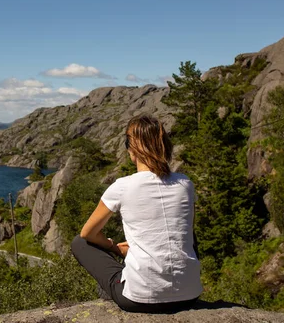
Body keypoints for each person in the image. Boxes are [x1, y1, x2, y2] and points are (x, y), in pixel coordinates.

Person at [71, 115, 202, 313]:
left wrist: (115, 248)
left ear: (133, 149)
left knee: (79, 243)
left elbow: (87, 233)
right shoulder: (185, 184)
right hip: (189, 296)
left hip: (140, 299)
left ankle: (128, 281)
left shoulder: (122, 187)